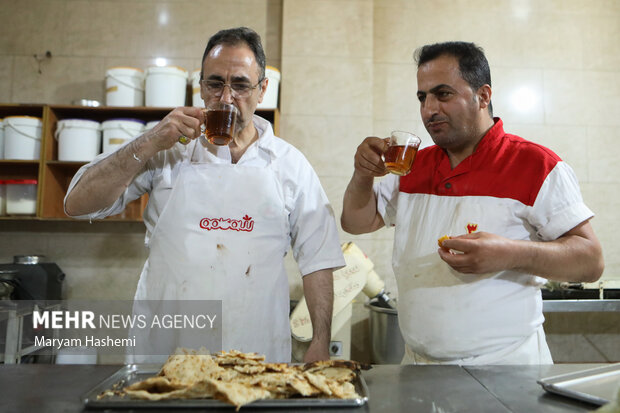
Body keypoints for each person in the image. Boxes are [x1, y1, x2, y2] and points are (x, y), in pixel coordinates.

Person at [64, 27, 344, 363]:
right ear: (200, 87)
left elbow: (318, 259)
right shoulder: (166, 149)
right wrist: (148, 142)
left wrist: (321, 340)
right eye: (215, 83)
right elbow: (77, 204)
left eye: (240, 85)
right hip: (165, 350)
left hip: (255, 351)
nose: (226, 98)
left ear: (262, 90)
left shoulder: (290, 164)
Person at [341, 41, 604, 365]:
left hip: (508, 368)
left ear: (483, 96)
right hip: (419, 367)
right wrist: (362, 174)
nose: (429, 109)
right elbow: (356, 221)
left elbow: (591, 261)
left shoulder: (536, 165)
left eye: (443, 94)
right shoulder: (412, 166)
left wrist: (510, 254)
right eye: (423, 97)